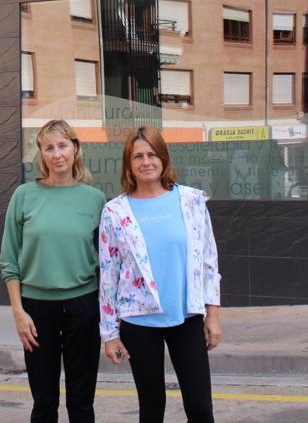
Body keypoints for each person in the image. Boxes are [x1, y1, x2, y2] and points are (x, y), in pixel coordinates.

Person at [98, 126, 221, 423]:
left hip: (187, 317)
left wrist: (212, 314)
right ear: (129, 164)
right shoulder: (115, 212)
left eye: (152, 154)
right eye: (137, 156)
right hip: (139, 321)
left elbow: (209, 261)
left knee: (201, 408)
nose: (146, 162)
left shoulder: (191, 201)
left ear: (164, 158)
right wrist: (110, 334)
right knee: (152, 409)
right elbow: (108, 275)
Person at [0, 119, 106, 423]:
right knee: (44, 403)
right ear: (41, 154)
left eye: (62, 145)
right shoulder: (24, 196)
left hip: (84, 306)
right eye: (49, 147)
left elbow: (107, 263)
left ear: (75, 148)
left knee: (82, 403)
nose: (57, 153)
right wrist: (19, 313)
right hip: (36, 310)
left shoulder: (95, 199)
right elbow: (9, 261)